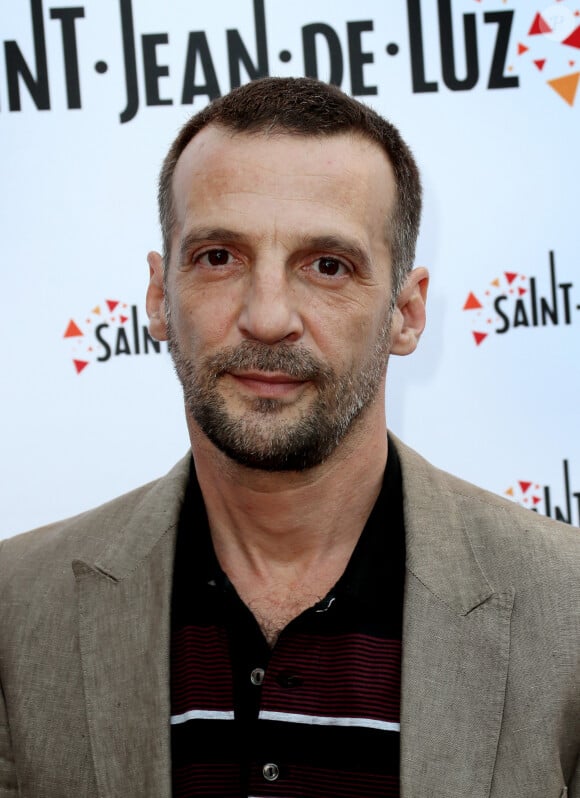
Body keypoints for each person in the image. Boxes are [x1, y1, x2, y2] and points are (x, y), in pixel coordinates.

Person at [0, 77, 578, 798]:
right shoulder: (13, 608)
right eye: (219, 257)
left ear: (406, 312)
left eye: (327, 266)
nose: (268, 316)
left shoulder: (569, 609)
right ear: (158, 297)